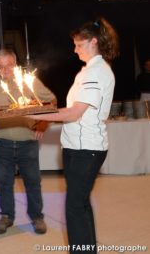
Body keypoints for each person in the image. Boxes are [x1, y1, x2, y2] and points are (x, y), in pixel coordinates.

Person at [27, 17, 119, 253]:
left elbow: (74, 113)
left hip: (85, 150)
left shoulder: (96, 72)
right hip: (78, 148)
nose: (75, 49)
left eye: (79, 44)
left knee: (75, 208)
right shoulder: (88, 71)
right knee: (81, 204)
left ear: (93, 42)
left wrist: (35, 114)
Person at [0, 48, 56, 235]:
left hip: (28, 143)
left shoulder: (29, 83)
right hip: (2, 144)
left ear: (16, 65)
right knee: (4, 183)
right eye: (1, 67)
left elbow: (52, 101)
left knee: (33, 182)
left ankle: (37, 217)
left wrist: (42, 126)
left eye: (9, 65)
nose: (5, 70)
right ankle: (7, 216)